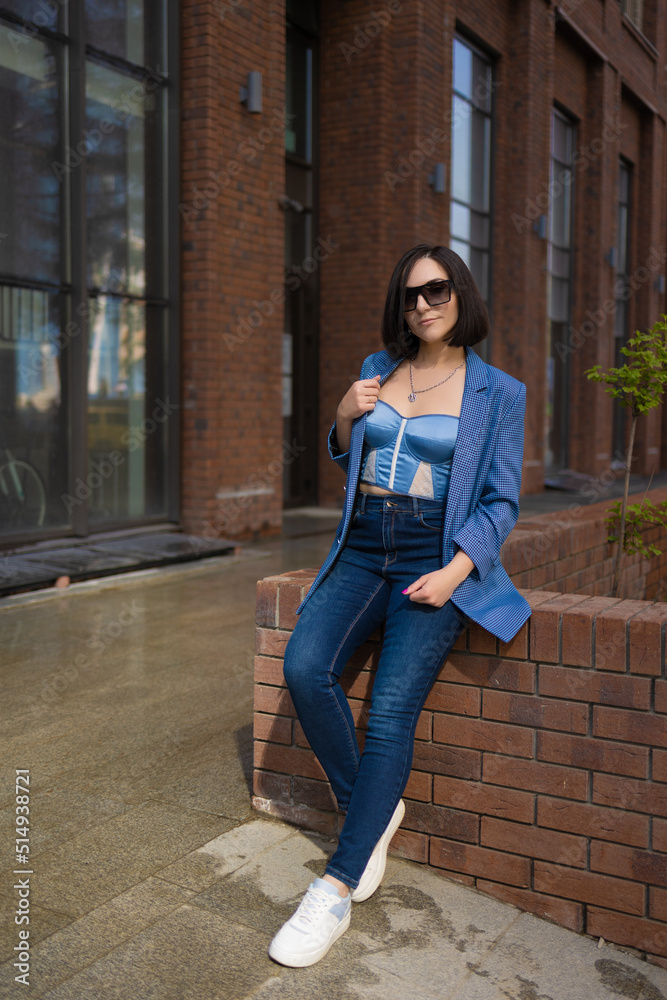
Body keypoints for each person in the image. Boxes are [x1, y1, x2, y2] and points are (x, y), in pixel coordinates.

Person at [268, 243, 531, 968]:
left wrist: (455, 570)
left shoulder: (498, 392)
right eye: (411, 295)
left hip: (431, 556)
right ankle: (375, 812)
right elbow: (345, 456)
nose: (423, 304)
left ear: (460, 295)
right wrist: (343, 418)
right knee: (303, 666)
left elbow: (502, 499)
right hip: (361, 547)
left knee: (386, 715)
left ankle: (335, 884)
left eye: (437, 290)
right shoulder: (373, 371)